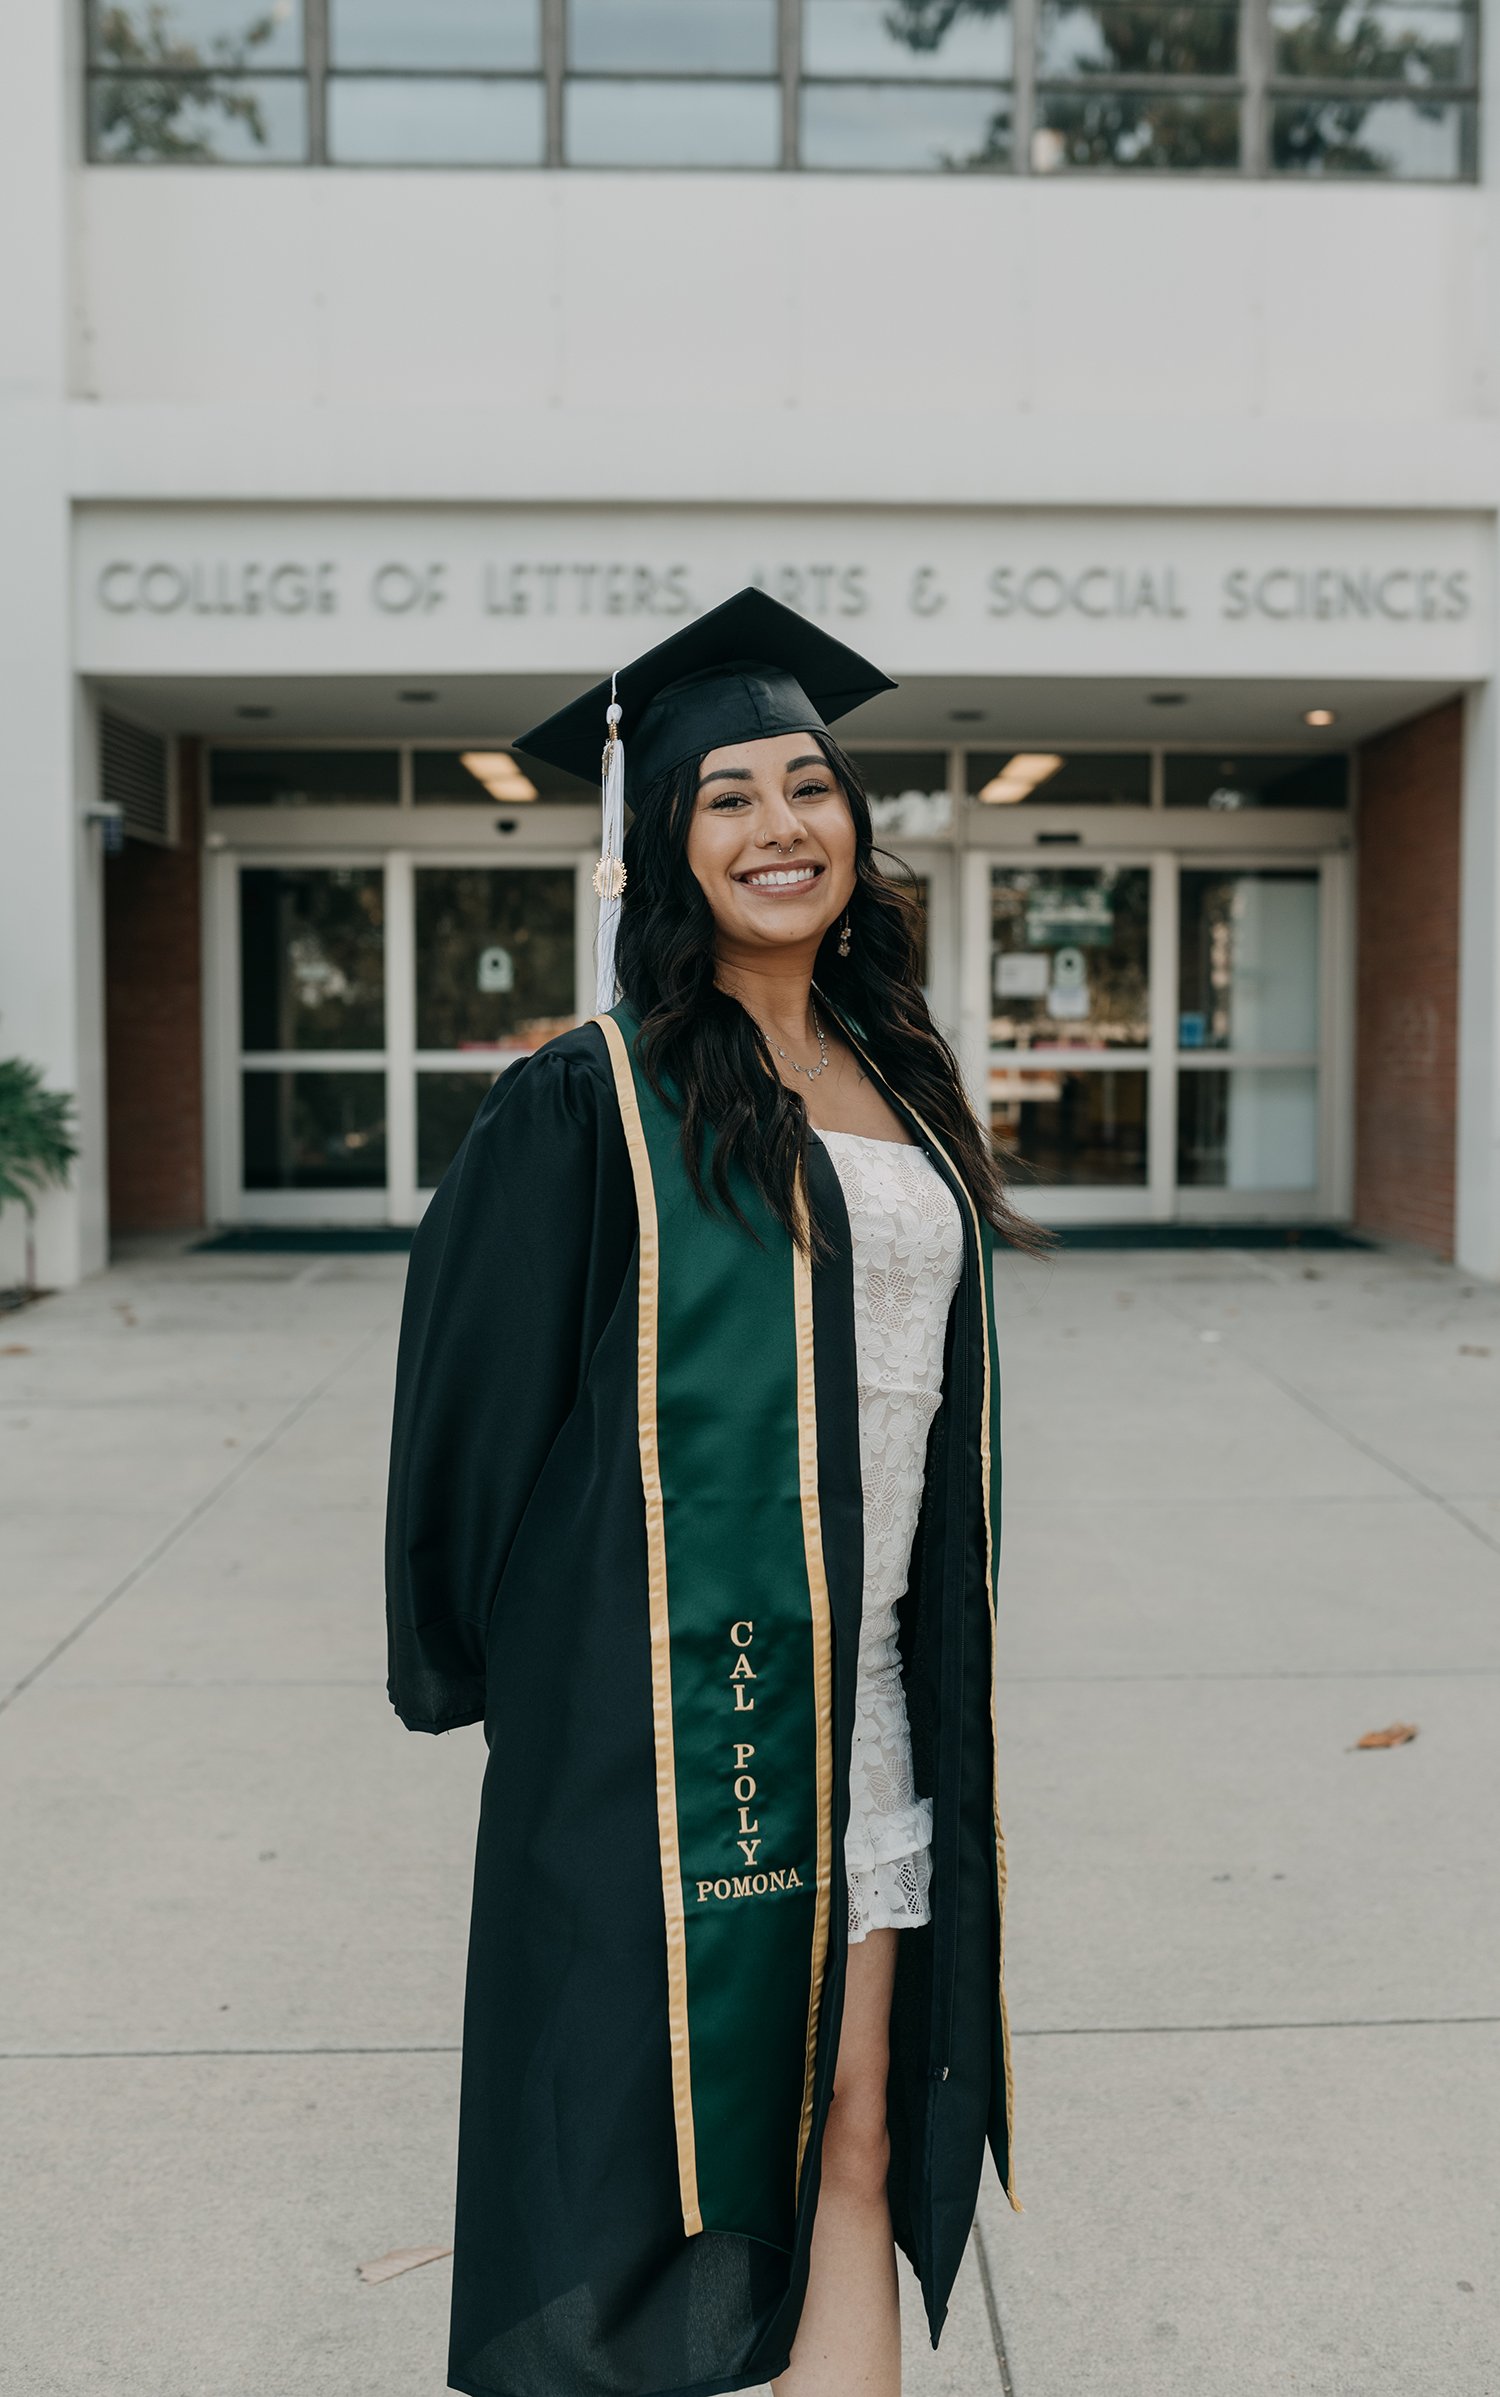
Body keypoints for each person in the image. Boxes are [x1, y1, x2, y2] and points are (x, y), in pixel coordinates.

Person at [385, 589, 1035, 2397]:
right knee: (638, 2190)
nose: (778, 827)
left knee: (859, 2136)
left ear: (855, 825)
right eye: (726, 795)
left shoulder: (900, 1072)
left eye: (808, 787)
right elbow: (467, 1416)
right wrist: (534, 1690)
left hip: (884, 1694)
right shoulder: (590, 1103)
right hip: (670, 1716)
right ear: (663, 840)